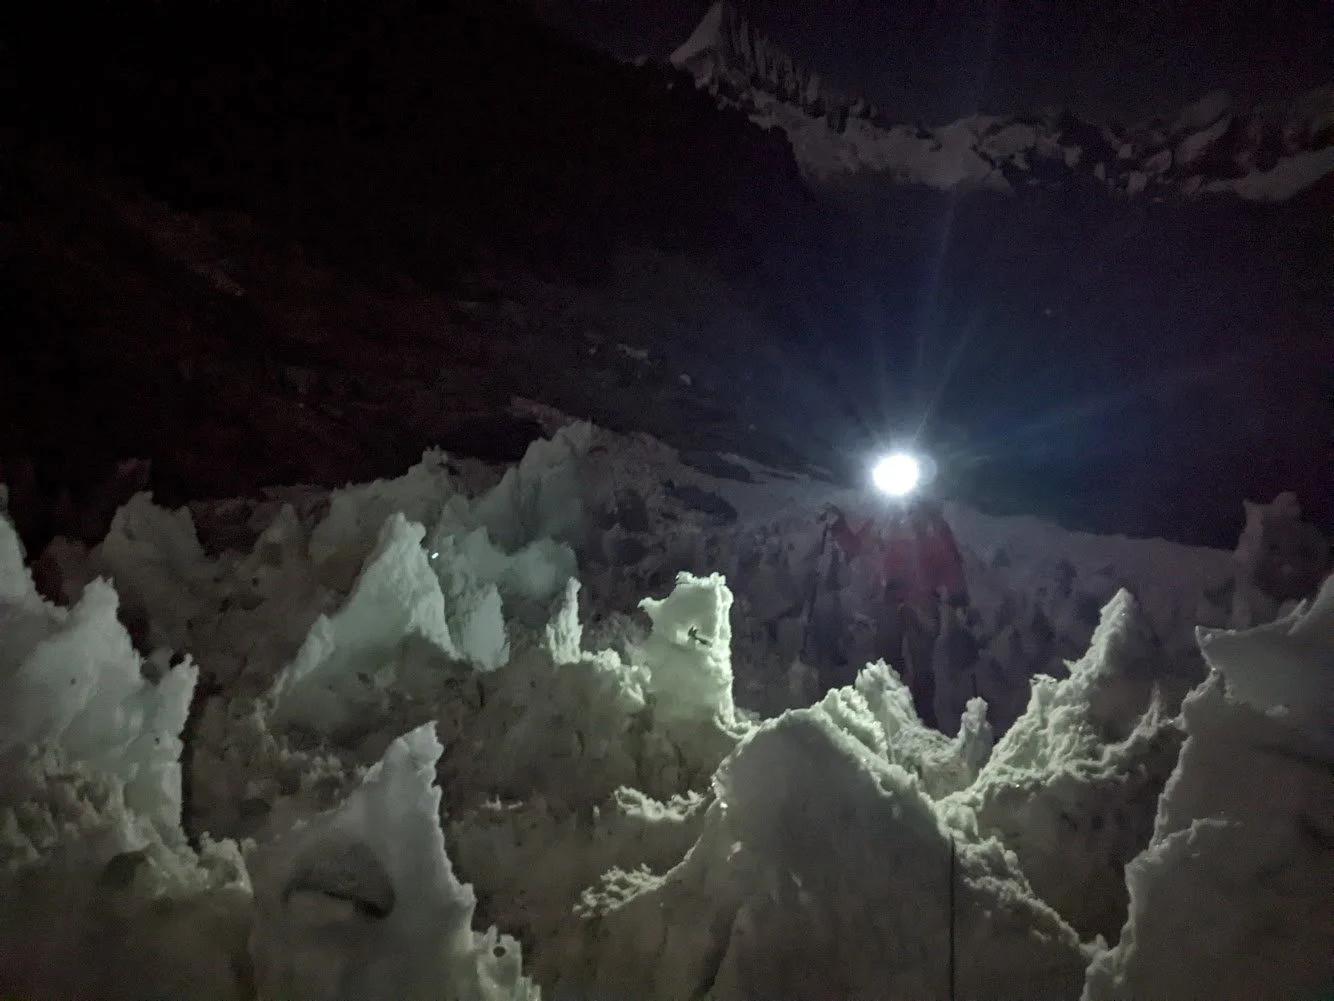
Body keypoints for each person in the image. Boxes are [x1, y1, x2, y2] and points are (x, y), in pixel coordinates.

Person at [821, 498, 969, 726]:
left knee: (922, 666)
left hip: (921, 603)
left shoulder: (929, 525)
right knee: (888, 661)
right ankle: (890, 714)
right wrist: (839, 526)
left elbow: (950, 562)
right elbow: (857, 547)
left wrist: (958, 596)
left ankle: (924, 720)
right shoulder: (885, 521)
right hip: (890, 602)